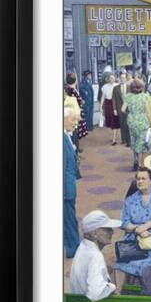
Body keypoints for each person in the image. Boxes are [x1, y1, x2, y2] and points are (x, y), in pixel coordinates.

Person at [114, 167, 151, 293]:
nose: (140, 181)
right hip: (134, 237)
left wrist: (148, 225)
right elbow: (124, 223)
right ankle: (120, 293)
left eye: (143, 179)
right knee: (121, 263)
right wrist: (137, 230)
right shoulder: (130, 200)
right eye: (138, 179)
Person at [70, 210, 121, 301]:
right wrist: (112, 287)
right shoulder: (95, 256)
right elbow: (95, 294)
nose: (112, 232)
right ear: (94, 234)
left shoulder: (83, 247)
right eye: (107, 229)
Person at [121, 79, 151, 169]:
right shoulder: (144, 97)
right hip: (142, 121)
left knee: (134, 140)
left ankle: (135, 160)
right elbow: (148, 112)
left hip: (132, 121)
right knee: (141, 142)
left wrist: (130, 113)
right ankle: (140, 163)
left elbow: (123, 109)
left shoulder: (128, 96)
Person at [63, 107, 80, 258]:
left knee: (70, 218)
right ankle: (73, 248)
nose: (76, 122)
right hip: (65, 190)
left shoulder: (66, 135)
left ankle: (73, 245)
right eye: (73, 119)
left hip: (69, 187)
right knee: (68, 220)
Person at [64, 72, 88, 147]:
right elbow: (72, 103)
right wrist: (81, 101)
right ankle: (75, 149)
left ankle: (77, 147)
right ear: (75, 80)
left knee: (76, 131)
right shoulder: (70, 90)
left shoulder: (72, 89)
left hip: (76, 112)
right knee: (74, 131)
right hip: (74, 114)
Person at [111, 70, 131, 147]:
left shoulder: (129, 87)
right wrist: (115, 109)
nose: (122, 79)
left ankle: (128, 140)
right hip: (119, 108)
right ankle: (123, 139)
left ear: (126, 79)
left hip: (128, 108)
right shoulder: (116, 88)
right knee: (122, 124)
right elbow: (113, 99)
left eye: (124, 78)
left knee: (128, 124)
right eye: (121, 78)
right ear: (119, 79)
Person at [100, 73, 120, 145]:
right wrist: (101, 106)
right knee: (109, 120)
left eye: (113, 78)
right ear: (108, 79)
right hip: (107, 104)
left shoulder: (117, 85)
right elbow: (103, 97)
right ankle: (114, 135)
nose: (112, 79)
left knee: (114, 120)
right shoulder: (105, 87)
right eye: (111, 78)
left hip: (114, 104)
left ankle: (114, 139)